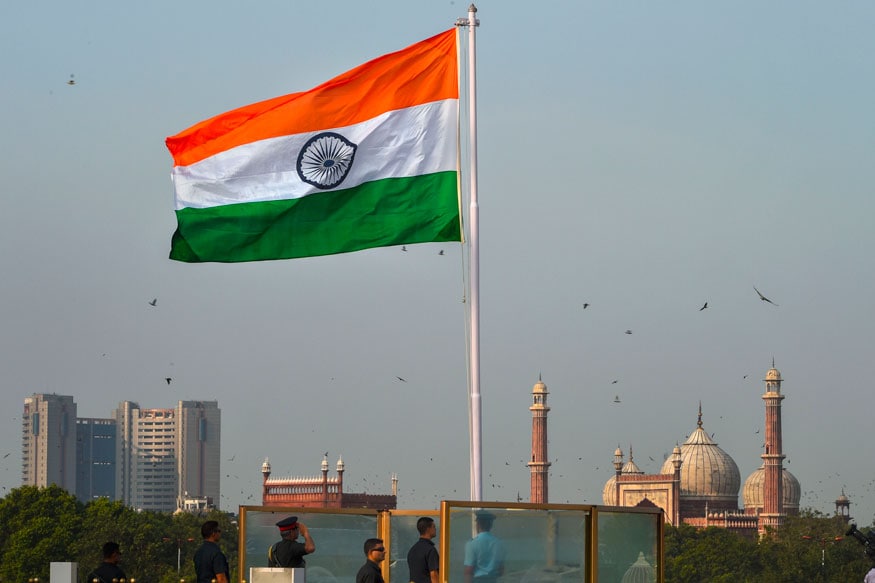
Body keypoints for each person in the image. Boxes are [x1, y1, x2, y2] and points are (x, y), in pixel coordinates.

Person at [463, 511, 506, 583]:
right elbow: (501, 569)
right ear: (491, 525)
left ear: (478, 525)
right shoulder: (499, 543)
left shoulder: (471, 544)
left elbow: (469, 571)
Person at [407, 516, 439, 583]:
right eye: (434, 527)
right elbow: (434, 575)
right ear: (428, 529)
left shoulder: (412, 550)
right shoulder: (430, 550)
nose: (435, 529)